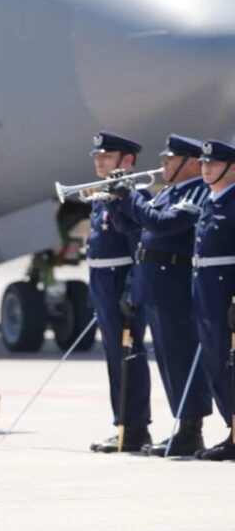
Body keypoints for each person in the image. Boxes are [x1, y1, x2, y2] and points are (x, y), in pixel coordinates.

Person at [106, 134, 211, 456]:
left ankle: (191, 429)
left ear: (191, 163)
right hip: (154, 284)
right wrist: (119, 202)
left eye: (170, 158)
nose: (163, 163)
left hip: (175, 285)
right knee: (167, 360)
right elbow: (134, 228)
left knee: (179, 357)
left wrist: (130, 197)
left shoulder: (197, 191)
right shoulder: (168, 192)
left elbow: (162, 225)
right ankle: (183, 425)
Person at [84, 132, 152, 453]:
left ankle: (134, 428)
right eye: (97, 156)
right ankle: (123, 423)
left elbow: (138, 248)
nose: (100, 161)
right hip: (102, 279)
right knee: (115, 355)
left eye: (107, 156)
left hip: (119, 279)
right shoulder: (104, 194)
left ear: (128, 161)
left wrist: (131, 290)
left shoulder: (132, 195)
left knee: (128, 355)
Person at [191, 139, 235, 461]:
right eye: (204, 163)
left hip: (225, 295)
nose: (206, 168)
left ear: (232, 169)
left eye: (214, 164)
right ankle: (231, 429)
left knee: (228, 366)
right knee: (216, 365)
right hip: (207, 294)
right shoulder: (212, 201)